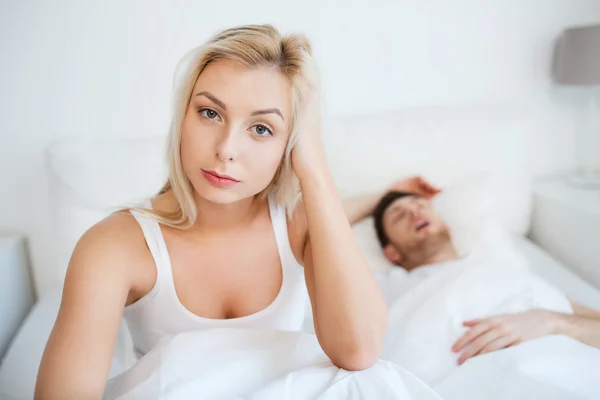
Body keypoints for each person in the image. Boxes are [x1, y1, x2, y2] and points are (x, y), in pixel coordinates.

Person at [35, 25, 388, 399]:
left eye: (261, 129)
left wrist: (314, 169)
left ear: (290, 143)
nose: (226, 149)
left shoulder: (299, 222)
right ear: (182, 116)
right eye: (209, 113)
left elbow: (359, 349)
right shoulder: (115, 246)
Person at [345, 176, 600, 365]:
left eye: (421, 205)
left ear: (445, 223)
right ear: (392, 253)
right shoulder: (382, 286)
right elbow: (314, 227)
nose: (414, 212)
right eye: (399, 216)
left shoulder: (505, 270)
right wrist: (387, 193)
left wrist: (553, 321)